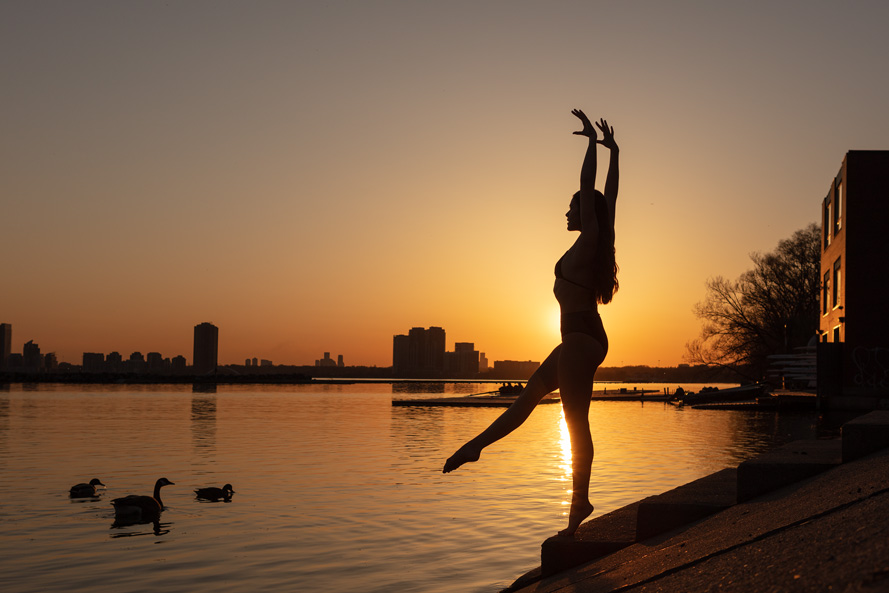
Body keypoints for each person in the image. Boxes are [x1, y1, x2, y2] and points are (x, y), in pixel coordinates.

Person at [442, 109, 619, 538]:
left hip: (580, 340)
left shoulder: (590, 241)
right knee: (527, 399)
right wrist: (616, 152)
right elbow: (609, 199)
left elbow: (595, 195)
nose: (567, 210)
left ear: (585, 214)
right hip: (581, 338)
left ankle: (579, 506)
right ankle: (476, 447)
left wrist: (593, 147)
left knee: (576, 422)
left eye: (573, 205)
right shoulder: (593, 243)